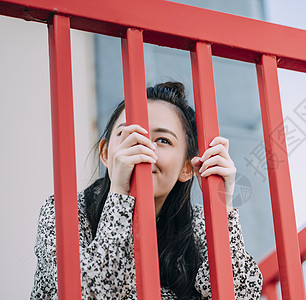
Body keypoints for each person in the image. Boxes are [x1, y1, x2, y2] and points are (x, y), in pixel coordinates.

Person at [31, 82, 263, 299]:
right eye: (127, 136)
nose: (142, 149)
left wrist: (222, 206)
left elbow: (241, 294)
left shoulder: (198, 225)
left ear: (186, 167)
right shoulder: (65, 212)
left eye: (163, 140)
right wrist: (120, 193)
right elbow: (93, 292)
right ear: (105, 153)